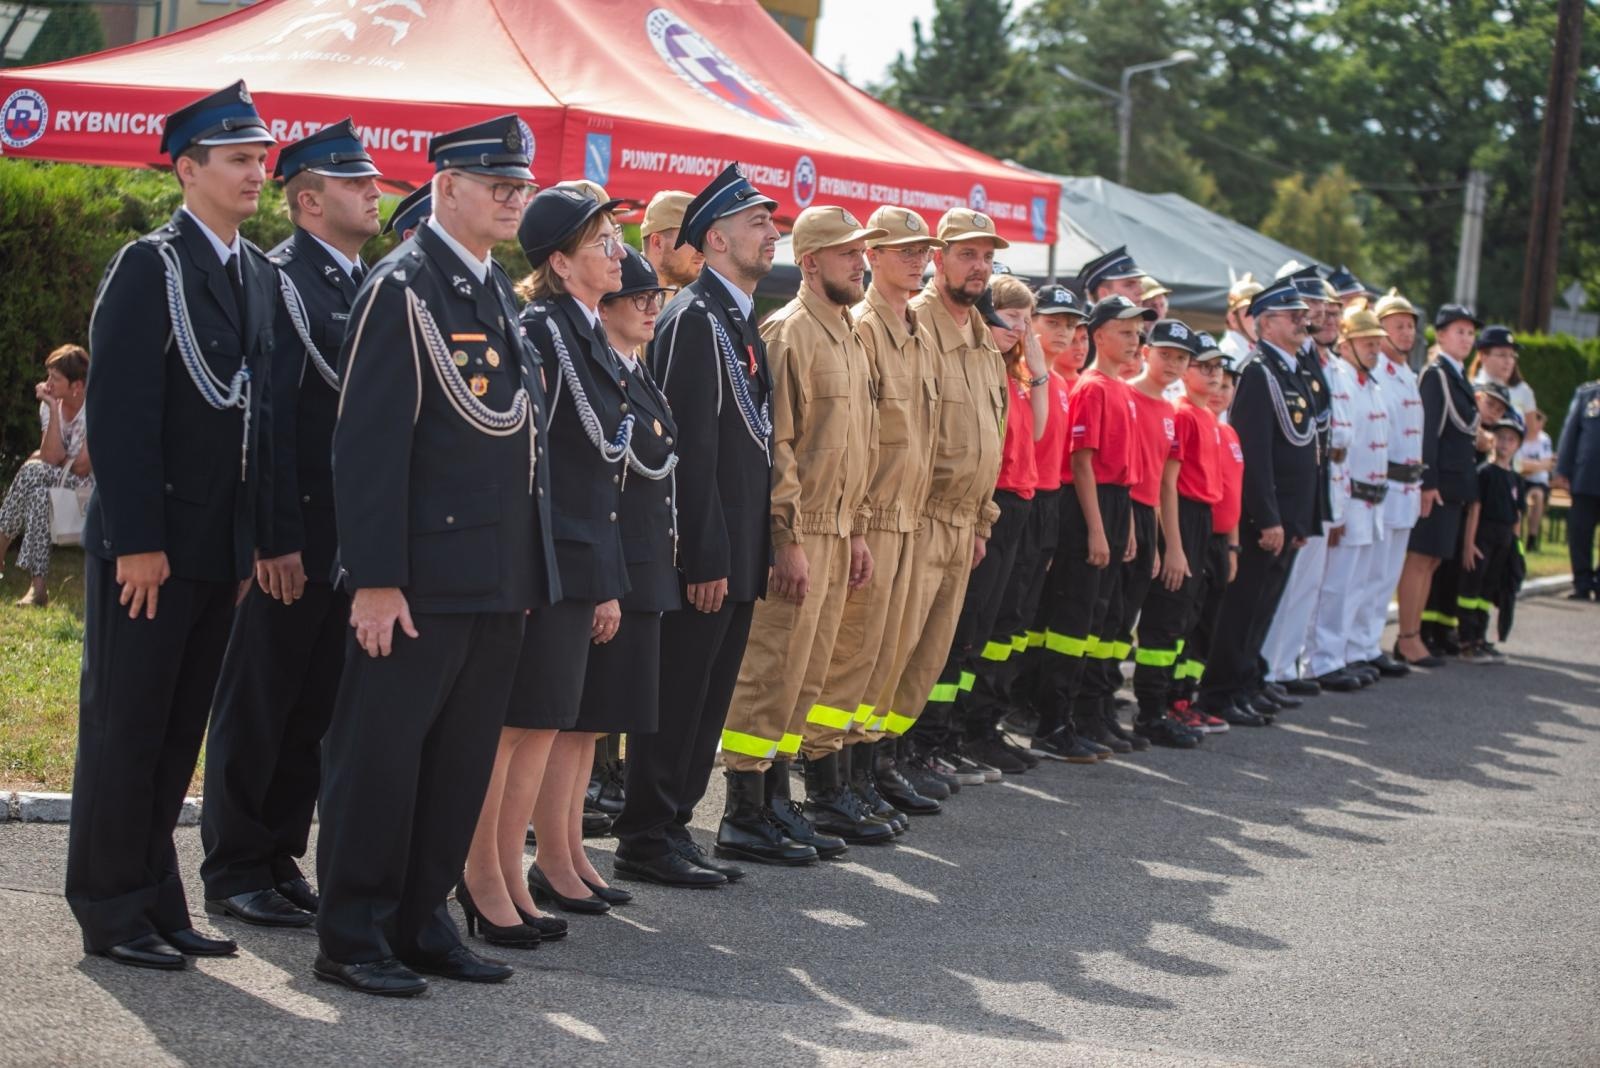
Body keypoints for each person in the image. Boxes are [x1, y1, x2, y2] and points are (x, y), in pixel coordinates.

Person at [314, 114, 552, 996]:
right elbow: (368, 448)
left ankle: (420, 920)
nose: (513, 200)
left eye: (520, 187)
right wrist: (376, 580)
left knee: (456, 765)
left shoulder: (491, 291)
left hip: (491, 577)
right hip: (419, 579)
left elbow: (516, 447)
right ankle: (353, 934)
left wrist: (525, 571)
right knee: (381, 760)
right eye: (498, 185)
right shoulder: (405, 288)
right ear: (446, 187)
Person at [65, 81, 277, 972]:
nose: (256, 173)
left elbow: (253, 424)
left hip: (213, 549)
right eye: (238, 160)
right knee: (128, 729)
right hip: (150, 548)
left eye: (261, 159)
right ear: (188, 170)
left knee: (176, 733)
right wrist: (140, 541)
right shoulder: (148, 265)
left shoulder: (252, 272)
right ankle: (110, 908)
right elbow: (120, 415)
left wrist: (247, 545)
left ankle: (157, 900)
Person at [200, 120, 382, 929]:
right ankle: (235, 865)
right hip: (295, 539)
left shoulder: (363, 284)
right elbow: (264, 423)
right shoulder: (280, 281)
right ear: (309, 202)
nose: (373, 192)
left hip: (346, 541)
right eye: (355, 183)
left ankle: (278, 854)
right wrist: (272, 539)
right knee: (260, 705)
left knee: (313, 709)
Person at [452, 185, 630, 931]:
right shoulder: (544, 331)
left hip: (578, 558)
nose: (619, 254)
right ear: (559, 262)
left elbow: (599, 472)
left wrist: (605, 578)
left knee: (544, 724)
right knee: (512, 727)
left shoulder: (584, 332)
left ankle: (509, 875)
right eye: (602, 243)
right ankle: (482, 875)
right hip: (545, 557)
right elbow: (530, 460)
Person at [609, 164, 779, 885]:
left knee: (706, 700)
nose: (772, 234)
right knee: (679, 696)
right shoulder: (694, 318)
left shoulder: (735, 317)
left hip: (738, 546)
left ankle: (674, 824)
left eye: (771, 222)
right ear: (716, 239)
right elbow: (685, 450)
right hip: (705, 553)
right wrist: (704, 555)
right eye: (757, 223)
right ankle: (647, 835)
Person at [717, 204, 884, 856]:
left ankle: (777, 800)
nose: (860, 263)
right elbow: (778, 447)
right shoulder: (789, 334)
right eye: (847, 253)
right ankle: (742, 811)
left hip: (838, 530)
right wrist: (785, 539)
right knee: (771, 670)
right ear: (811, 263)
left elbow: (859, 446)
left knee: (805, 678)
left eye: (861, 252)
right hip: (802, 529)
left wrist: (857, 529)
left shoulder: (845, 332)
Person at [806, 206, 944, 818]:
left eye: (923, 251)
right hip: (870, 516)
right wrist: (861, 521)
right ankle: (827, 782)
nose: (918, 261)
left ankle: (862, 771)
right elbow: (855, 439)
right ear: (876, 256)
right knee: (850, 656)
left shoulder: (915, 329)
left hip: (911, 517)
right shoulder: (861, 326)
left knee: (887, 657)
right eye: (904, 250)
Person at [873, 208, 1007, 792]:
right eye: (967, 254)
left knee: (929, 656)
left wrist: (980, 521)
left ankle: (901, 754)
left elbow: (993, 434)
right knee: (890, 651)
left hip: (960, 523)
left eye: (987, 258)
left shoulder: (982, 337)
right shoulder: (916, 324)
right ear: (939, 258)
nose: (979, 267)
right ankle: (874, 761)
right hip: (916, 517)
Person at [581, 248, 683, 865]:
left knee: (602, 718)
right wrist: (606, 582)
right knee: (583, 722)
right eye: (637, 298)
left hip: (644, 566)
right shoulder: (602, 374)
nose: (650, 308)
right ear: (605, 307)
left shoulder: (636, 371)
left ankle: (568, 855)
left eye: (655, 298)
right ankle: (557, 851)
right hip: (617, 568)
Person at [1030, 295, 1153, 758]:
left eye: (1137, 332)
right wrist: (1098, 530)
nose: (1134, 340)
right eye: (1124, 331)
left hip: (1117, 504)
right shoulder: (1093, 388)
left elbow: (1127, 471)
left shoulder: (1121, 389)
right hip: (1090, 505)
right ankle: (1053, 722)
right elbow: (1082, 463)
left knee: (1102, 617)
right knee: (1073, 617)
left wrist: (1129, 528)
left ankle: (1091, 713)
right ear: (1099, 335)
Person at [1194, 278, 1320, 727]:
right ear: (1266, 323)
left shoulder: (1291, 370)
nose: (1303, 322)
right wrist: (1267, 517)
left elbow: (1307, 451)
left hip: (1287, 515)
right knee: (1242, 608)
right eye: (1293, 316)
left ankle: (1244, 682)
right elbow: (1255, 453)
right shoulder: (1258, 372)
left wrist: (1302, 519)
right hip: (1262, 518)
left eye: (1302, 315)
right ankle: (1219, 693)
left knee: (1263, 608)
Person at [940, 277, 1049, 776]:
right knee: (963, 629)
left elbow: (1039, 433)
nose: (1020, 328)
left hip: (1017, 505)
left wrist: (1038, 370)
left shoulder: (1016, 376)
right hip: (990, 503)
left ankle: (965, 730)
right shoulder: (981, 369)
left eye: (1027, 320)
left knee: (988, 629)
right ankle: (941, 735)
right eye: (1012, 316)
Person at [1131, 321, 1224, 747]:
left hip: (1198, 519)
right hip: (1178, 518)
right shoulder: (1182, 413)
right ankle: (1152, 710)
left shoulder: (1198, 415)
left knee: (1185, 617)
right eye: (1202, 366)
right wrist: (1174, 547)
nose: (1212, 374)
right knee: (1166, 617)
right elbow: (1167, 485)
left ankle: (1172, 701)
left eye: (1215, 367)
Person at [1260, 272, 1351, 699]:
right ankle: (1268, 669)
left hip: (1316, 483)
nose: (1315, 315)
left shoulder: (1311, 359)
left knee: (1303, 586)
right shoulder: (1282, 362)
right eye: (1309, 307)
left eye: (1321, 308)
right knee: (1282, 587)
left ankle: (1282, 666)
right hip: (1288, 490)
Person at [1302, 304, 1391, 687]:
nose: (1374, 350)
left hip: (1367, 495)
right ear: (1347, 344)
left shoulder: (1368, 383)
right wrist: (1336, 506)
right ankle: (1322, 660)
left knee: (1356, 583)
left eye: (1377, 343)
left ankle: (1341, 653)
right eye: (1367, 342)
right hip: (1346, 493)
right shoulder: (1340, 378)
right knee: (1334, 586)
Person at [1394, 304, 1482, 666]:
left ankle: (1414, 635)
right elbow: (1427, 432)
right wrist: (1427, 482)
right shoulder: (1437, 375)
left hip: (1454, 486)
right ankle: (1407, 637)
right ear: (1441, 336)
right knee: (1419, 560)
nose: (1466, 339)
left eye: (1470, 333)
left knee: (1431, 562)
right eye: (1458, 332)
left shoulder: (1457, 375)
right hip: (1438, 484)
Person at [1347, 289, 1424, 679]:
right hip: (1382, 483)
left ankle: (1368, 643)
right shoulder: (1375, 374)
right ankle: (1353, 646)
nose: (1406, 333)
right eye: (1398, 326)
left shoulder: (1407, 375)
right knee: (1366, 574)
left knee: (1384, 576)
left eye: (1410, 326)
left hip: (1405, 488)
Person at [1173, 344, 1244, 713]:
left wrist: (1233, 547)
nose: (1219, 388)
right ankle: (1174, 698)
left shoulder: (1227, 433)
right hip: (1195, 532)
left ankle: (1190, 695)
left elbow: (1232, 495)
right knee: (1184, 619)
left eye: (1226, 383)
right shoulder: (1186, 416)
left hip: (1219, 542)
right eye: (1211, 374)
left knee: (1206, 625)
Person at [0, 344, 93, 606]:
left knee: (33, 470)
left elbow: (83, 467)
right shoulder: (50, 404)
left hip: (91, 489)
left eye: (55, 378)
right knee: (38, 492)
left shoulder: (96, 407)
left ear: (77, 386)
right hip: (59, 479)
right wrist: (52, 408)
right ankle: (38, 589)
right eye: (48, 376)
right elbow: (51, 458)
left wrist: (47, 458)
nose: (47, 383)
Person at [1457, 417, 1525, 662]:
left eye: (1511, 439)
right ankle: (1466, 641)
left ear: (1517, 445)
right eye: (1501, 437)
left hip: (1504, 540)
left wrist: (1516, 549)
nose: (1505, 443)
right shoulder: (1484, 472)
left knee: (1488, 590)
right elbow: (1475, 508)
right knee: (1472, 587)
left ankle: (1480, 637)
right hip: (1483, 536)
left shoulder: (1516, 479)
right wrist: (1469, 544)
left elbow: (1517, 516)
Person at [1555, 377, 1600, 602]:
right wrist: (1562, 470)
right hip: (1586, 479)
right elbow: (1570, 432)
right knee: (1580, 533)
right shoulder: (1588, 394)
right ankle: (1581, 584)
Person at [640, 189, 703, 289]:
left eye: (703, 240)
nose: (702, 251)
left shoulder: (701, 296)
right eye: (692, 239)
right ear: (657, 243)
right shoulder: (620, 293)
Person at [1469, 325, 1536, 417]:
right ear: (1483, 357)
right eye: (1502, 355)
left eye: (1512, 355)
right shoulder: (1469, 391)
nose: (1509, 361)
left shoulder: (1523, 390)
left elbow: (1530, 426)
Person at [1516, 408, 1553, 550]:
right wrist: (1537, 465)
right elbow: (1517, 464)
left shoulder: (1544, 439)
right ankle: (1516, 538)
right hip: (1521, 480)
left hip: (1538, 482)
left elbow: (1548, 464)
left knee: (1538, 496)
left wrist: (1527, 466)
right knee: (1516, 499)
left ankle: (1532, 536)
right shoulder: (1520, 437)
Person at [1219, 274, 1262, 363]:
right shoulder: (1228, 355)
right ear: (1233, 319)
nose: (1260, 317)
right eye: (1251, 311)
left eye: (1263, 310)